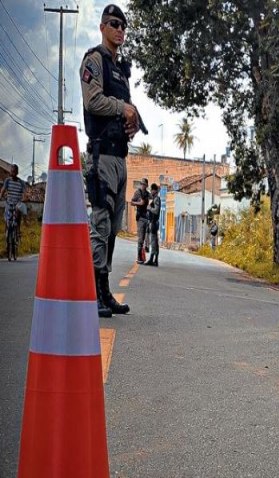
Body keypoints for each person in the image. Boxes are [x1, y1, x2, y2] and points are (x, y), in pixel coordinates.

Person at [80, 4, 144, 317]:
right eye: (114, 24)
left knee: (113, 227)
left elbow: (124, 110)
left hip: (119, 156)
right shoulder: (94, 60)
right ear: (103, 26)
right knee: (100, 223)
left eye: (123, 26)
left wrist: (131, 122)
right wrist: (123, 109)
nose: (120, 30)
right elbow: (93, 101)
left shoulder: (120, 70)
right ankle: (95, 293)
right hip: (100, 155)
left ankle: (105, 293)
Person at [1, 164, 26, 232]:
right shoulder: (7, 180)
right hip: (9, 202)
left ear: (17, 172)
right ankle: (6, 233)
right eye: (11, 171)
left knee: (18, 215)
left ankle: (18, 231)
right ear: (10, 172)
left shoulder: (21, 182)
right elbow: (3, 189)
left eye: (14, 171)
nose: (13, 173)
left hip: (17, 203)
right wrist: (1, 196)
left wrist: (24, 198)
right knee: (7, 218)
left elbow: (24, 193)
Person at [131, 177, 150, 263]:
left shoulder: (147, 194)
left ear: (146, 185)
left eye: (144, 184)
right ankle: (139, 257)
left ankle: (145, 249)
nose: (143, 186)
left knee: (147, 236)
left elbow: (153, 198)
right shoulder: (137, 193)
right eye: (142, 184)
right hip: (140, 218)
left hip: (147, 218)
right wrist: (139, 203)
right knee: (141, 238)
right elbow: (131, 202)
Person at [145, 183, 161, 266]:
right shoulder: (155, 198)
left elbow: (156, 211)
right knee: (154, 242)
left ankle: (152, 259)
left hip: (154, 222)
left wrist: (149, 208)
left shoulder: (156, 199)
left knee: (153, 242)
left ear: (154, 190)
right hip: (153, 222)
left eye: (151, 190)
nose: (151, 191)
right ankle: (155, 260)